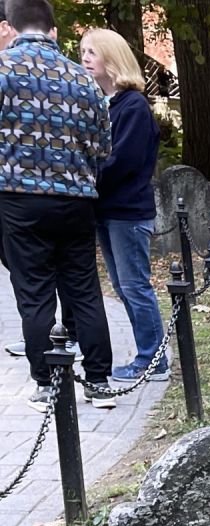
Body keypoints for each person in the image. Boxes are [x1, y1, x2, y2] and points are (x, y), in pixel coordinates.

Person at [0, 0, 115, 410]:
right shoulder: (81, 80)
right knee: (83, 289)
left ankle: (47, 384)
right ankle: (99, 380)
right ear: (53, 28)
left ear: (9, 26)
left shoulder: (3, 70)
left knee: (34, 294)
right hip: (76, 199)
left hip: (19, 199)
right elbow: (103, 147)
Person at [81, 27, 166, 383]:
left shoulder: (132, 106)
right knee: (123, 286)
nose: (84, 58)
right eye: (82, 51)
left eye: (92, 53)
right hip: (107, 210)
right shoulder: (106, 103)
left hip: (127, 212)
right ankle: (150, 353)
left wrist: (84, 178)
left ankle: (154, 361)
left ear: (112, 58)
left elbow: (122, 161)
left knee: (135, 286)